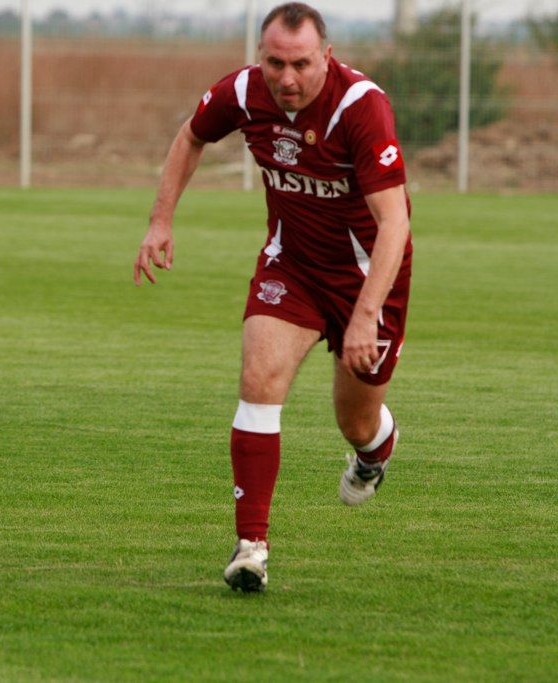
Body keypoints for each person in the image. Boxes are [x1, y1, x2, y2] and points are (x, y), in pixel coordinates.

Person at [134, 2, 412, 593]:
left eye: (301, 64)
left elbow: (395, 224)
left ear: (327, 57)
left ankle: (375, 451)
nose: (287, 78)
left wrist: (365, 315)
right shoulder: (242, 91)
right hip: (291, 266)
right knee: (258, 380)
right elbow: (190, 136)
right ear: (260, 57)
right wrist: (160, 221)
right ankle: (250, 547)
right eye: (275, 63)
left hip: (368, 278)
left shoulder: (361, 107)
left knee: (356, 421)